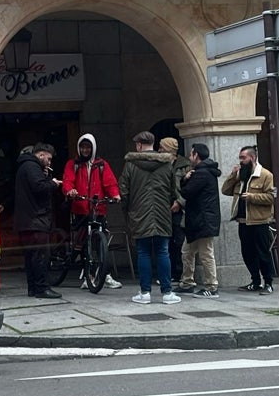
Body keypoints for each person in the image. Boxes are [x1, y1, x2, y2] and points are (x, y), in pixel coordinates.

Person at [118, 131, 181, 305]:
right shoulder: (167, 164)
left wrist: (128, 210)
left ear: (139, 145)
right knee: (162, 251)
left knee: (143, 252)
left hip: (139, 214)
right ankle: (167, 293)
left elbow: (124, 191)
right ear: (153, 144)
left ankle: (145, 292)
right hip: (162, 214)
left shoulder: (130, 165)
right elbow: (173, 190)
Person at [62, 133, 123, 290]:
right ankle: (88, 275)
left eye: (88, 147)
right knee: (83, 243)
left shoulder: (101, 165)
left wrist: (115, 194)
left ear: (93, 148)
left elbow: (110, 183)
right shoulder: (73, 164)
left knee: (99, 242)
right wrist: (70, 191)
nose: (85, 150)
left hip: (98, 208)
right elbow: (67, 181)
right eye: (82, 147)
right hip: (80, 207)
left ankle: (104, 274)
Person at [221, 146, 275, 295]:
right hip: (243, 221)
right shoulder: (241, 175)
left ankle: (268, 282)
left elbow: (271, 197)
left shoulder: (265, 175)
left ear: (252, 158)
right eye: (240, 158)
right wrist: (233, 176)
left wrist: (252, 197)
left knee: (263, 253)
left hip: (259, 221)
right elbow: (225, 190)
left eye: (243, 158)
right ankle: (255, 281)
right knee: (247, 253)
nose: (241, 161)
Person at [14, 142, 63, 300]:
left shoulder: (24, 166)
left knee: (31, 257)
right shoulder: (32, 167)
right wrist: (53, 183)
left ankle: (33, 288)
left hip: (26, 221)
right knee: (41, 256)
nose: (49, 162)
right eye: (48, 159)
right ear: (40, 155)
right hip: (36, 220)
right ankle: (42, 288)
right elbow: (40, 188)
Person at [174, 143, 221, 298]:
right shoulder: (203, 172)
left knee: (206, 254)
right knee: (187, 251)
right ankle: (187, 282)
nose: (189, 157)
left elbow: (187, 192)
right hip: (196, 221)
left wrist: (185, 179)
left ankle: (212, 286)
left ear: (196, 155)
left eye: (191, 154)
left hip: (203, 221)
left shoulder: (202, 174)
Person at [159, 137, 190, 283]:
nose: (159, 151)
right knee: (165, 242)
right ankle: (168, 273)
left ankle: (180, 272)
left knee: (179, 241)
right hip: (163, 207)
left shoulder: (185, 165)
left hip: (179, 208)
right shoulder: (159, 164)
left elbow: (189, 188)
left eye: (162, 148)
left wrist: (180, 202)